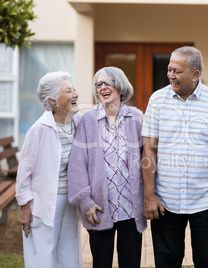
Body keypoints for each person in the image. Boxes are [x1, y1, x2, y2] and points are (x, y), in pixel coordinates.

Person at [141, 46, 208, 268]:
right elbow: (149, 150)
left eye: (177, 71)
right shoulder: (158, 100)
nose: (170, 75)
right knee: (166, 263)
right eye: (169, 69)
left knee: (207, 262)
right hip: (165, 201)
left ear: (196, 74)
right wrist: (149, 196)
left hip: (206, 202)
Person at [68, 67, 146, 268]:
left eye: (106, 82)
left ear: (119, 85)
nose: (102, 87)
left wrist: (149, 196)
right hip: (100, 206)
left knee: (131, 263)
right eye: (98, 84)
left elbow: (147, 160)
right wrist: (85, 201)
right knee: (101, 263)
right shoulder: (88, 120)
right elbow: (77, 164)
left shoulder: (136, 118)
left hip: (130, 206)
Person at [15, 71, 82, 268]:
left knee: (69, 250)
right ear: (53, 101)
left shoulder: (77, 122)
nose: (75, 94)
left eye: (74, 89)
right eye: (68, 91)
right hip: (43, 201)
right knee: (43, 253)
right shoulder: (40, 128)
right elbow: (23, 174)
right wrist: (24, 208)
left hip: (70, 199)